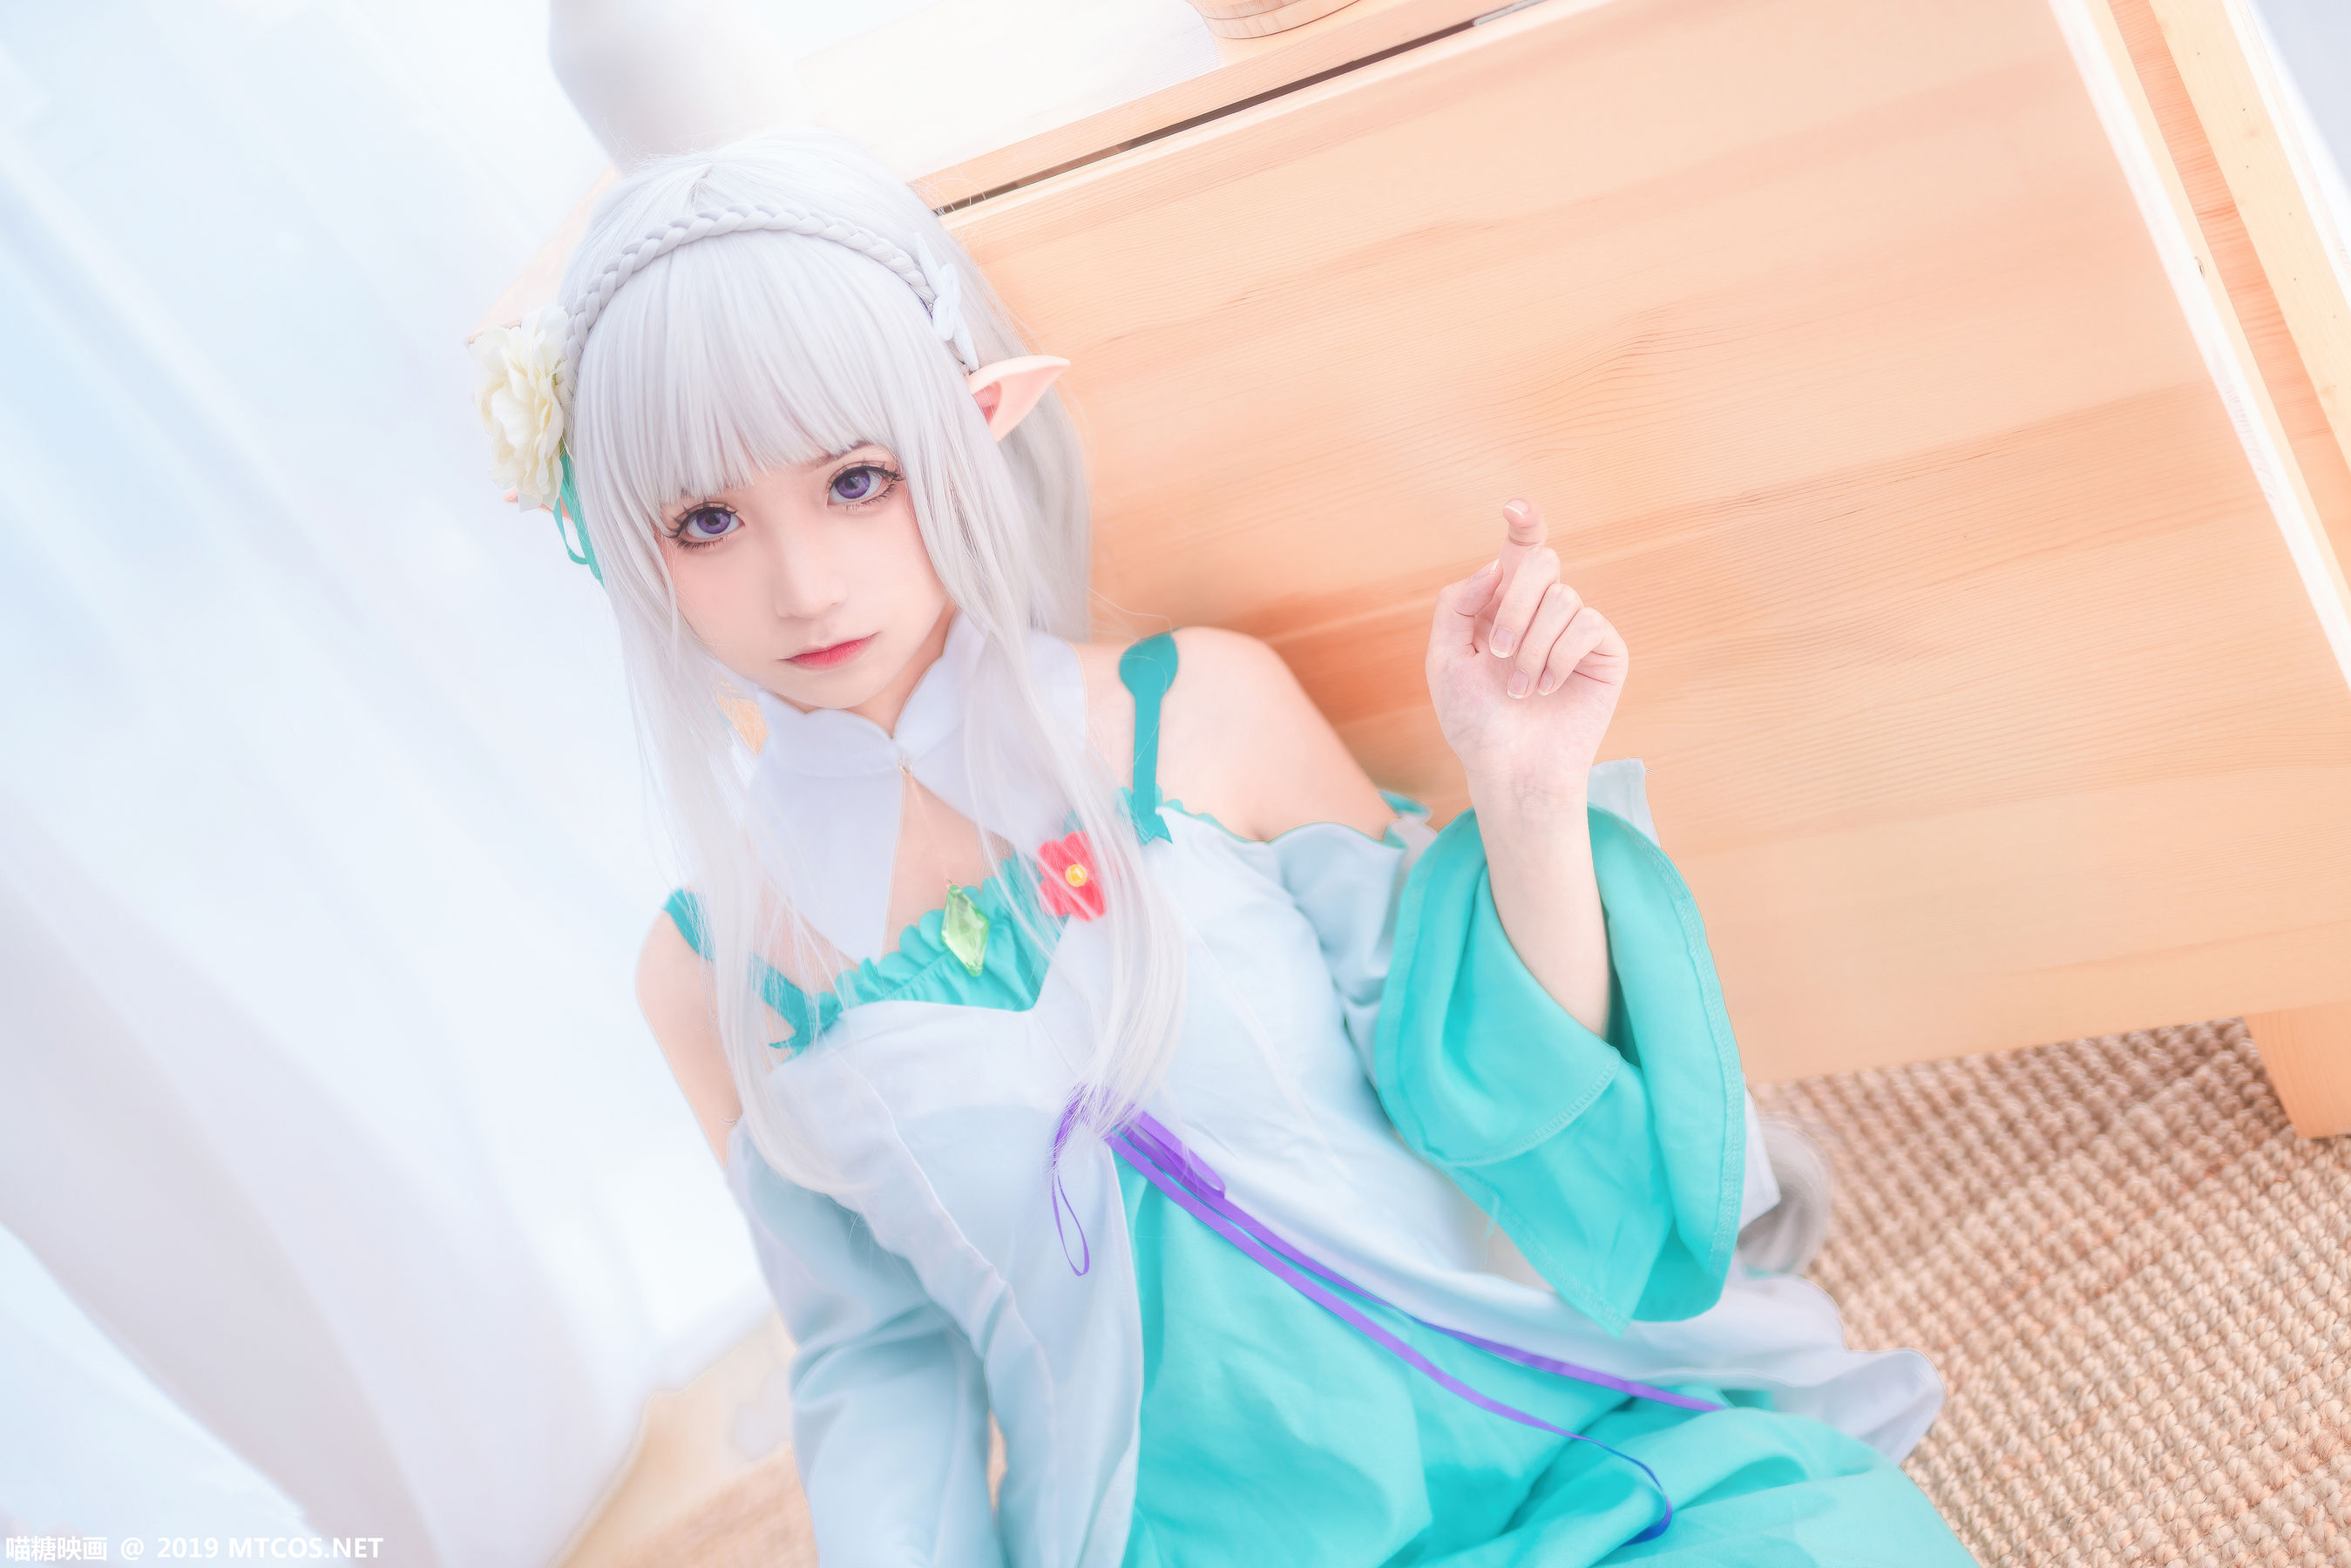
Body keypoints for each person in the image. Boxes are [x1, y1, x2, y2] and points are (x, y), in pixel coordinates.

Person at [471, 126, 1977, 1565]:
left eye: (857, 480)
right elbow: (880, 1355)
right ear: (616, 542)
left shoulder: (1191, 712)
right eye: (706, 520)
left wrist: (1524, 792)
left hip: (1556, 1454)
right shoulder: (710, 972)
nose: (802, 583)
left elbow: (1471, 1074)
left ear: (975, 422)